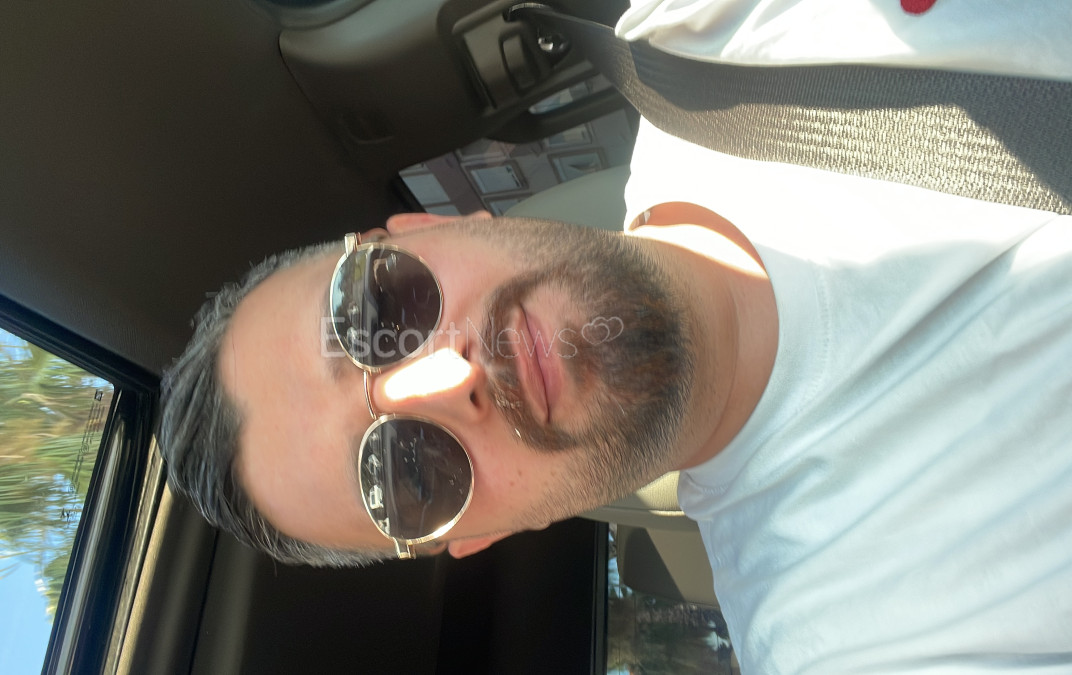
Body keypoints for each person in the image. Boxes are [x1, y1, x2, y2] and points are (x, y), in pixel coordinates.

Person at [159, 1, 1072, 670]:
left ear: (426, 230)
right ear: (477, 536)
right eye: (405, 475)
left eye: (375, 314)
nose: (446, 380)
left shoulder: (711, 29)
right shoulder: (847, 643)